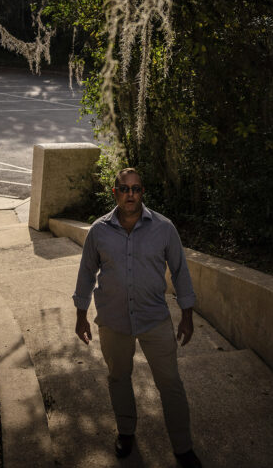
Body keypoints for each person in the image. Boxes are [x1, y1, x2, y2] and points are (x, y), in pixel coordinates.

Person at [73, 168, 202, 468]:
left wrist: (187, 315)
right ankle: (126, 432)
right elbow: (86, 273)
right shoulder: (99, 231)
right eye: (124, 188)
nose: (131, 194)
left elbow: (181, 272)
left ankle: (183, 447)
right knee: (118, 378)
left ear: (142, 192)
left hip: (154, 318)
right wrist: (81, 315)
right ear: (115, 192)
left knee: (170, 383)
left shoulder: (164, 228)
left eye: (136, 189)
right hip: (113, 320)